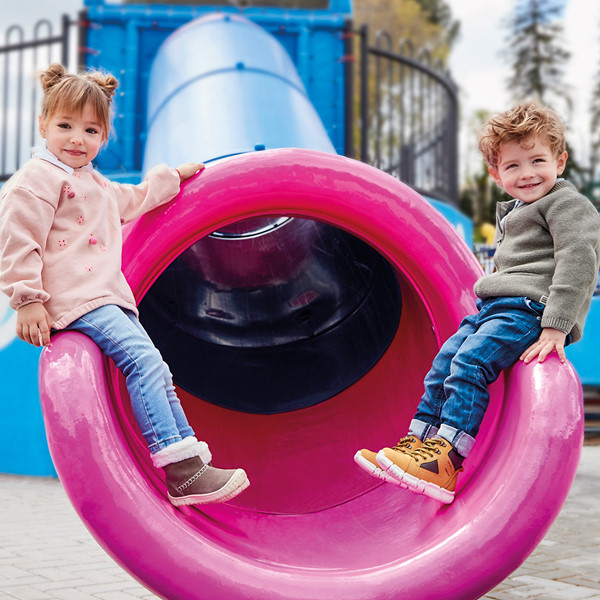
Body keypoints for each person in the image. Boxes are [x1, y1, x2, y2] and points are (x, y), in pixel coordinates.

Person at [0, 63, 249, 507]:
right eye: (65, 126)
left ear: (104, 137)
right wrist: (27, 301)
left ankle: (191, 461)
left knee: (156, 366)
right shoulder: (37, 180)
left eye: (91, 130)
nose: (78, 139)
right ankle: (180, 470)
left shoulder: (91, 182)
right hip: (76, 299)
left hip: (104, 298)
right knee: (143, 362)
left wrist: (173, 178)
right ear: (43, 124)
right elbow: (18, 239)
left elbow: (134, 198)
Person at [355, 102, 600, 504]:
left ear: (560, 160)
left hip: (528, 308)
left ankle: (446, 458)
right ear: (495, 174)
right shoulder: (516, 211)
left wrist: (557, 324)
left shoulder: (566, 205)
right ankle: (418, 445)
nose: (527, 174)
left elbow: (579, 259)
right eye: (513, 166)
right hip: (492, 308)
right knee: (443, 365)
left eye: (538, 160)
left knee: (471, 363)